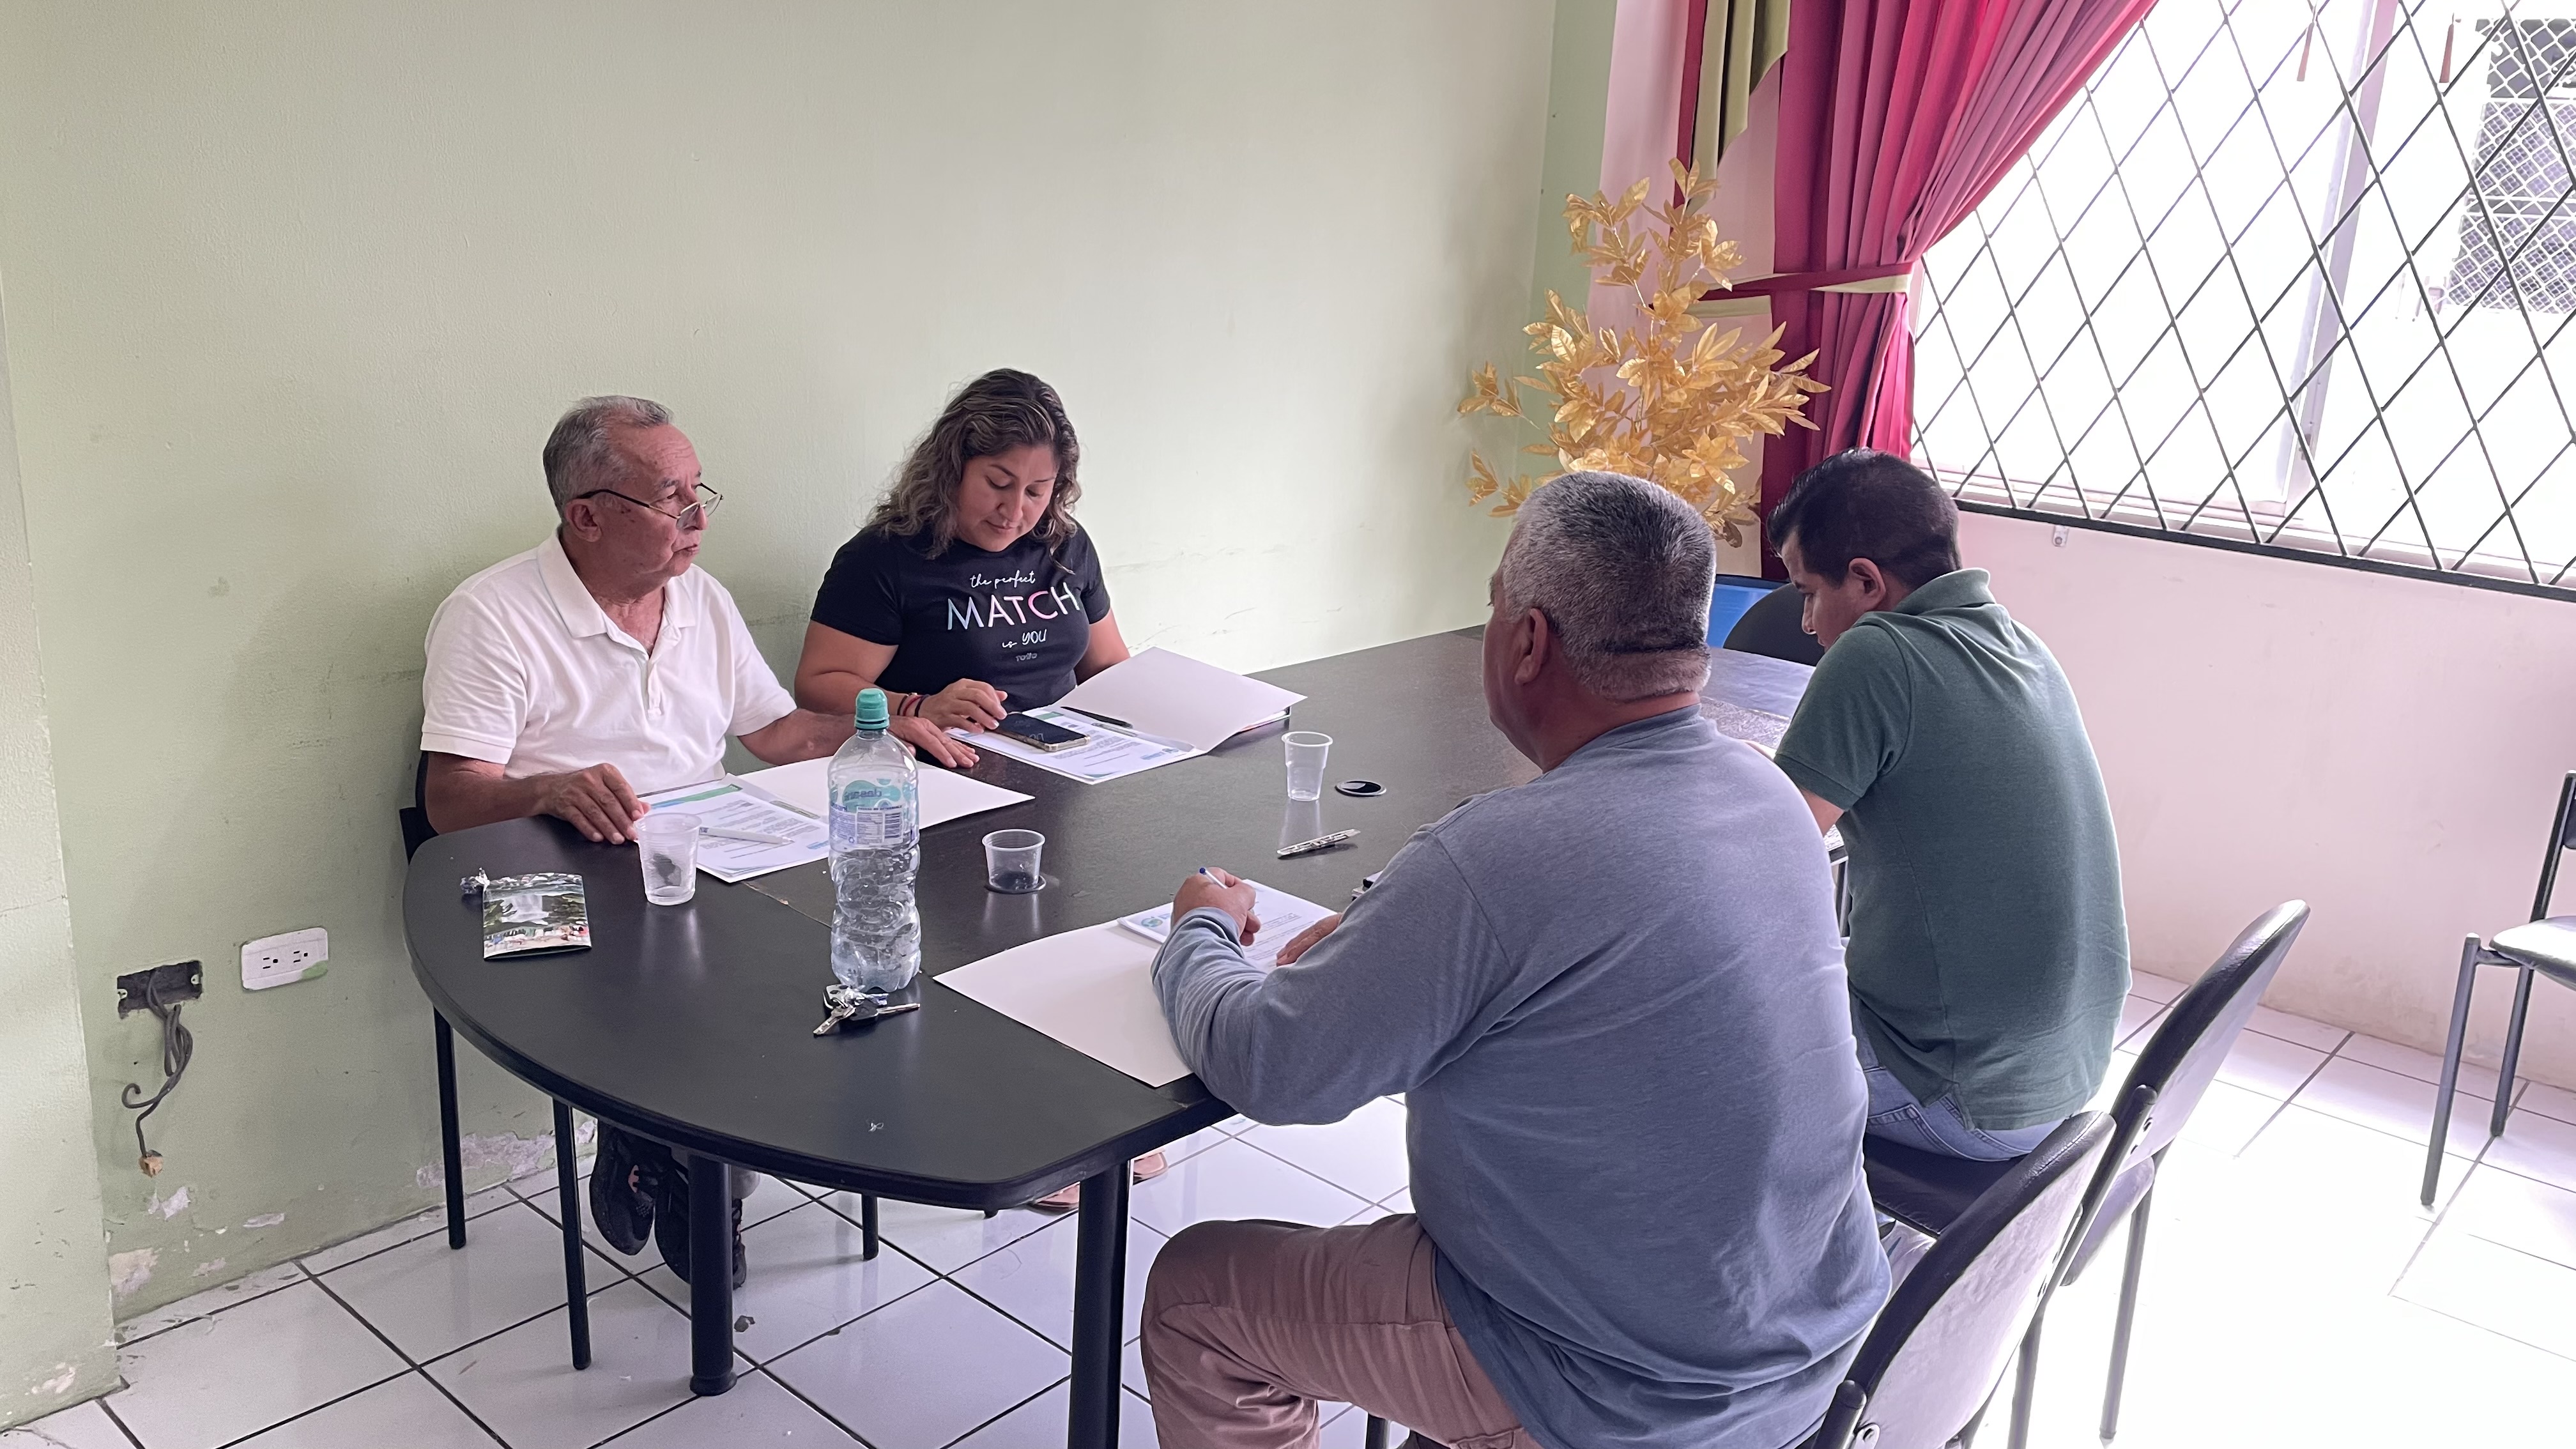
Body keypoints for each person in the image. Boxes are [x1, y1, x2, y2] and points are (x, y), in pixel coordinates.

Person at [1138, 473, 1886, 1449]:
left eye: (1494, 605)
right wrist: (1396, 943)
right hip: (1809, 1352)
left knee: (1195, 1298)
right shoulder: (1770, 796)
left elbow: (1272, 1067)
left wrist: (1198, 932)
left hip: (1619, 1393)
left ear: (1528, 640)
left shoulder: (1496, 855)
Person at [419, 394, 852, 1287]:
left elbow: (779, 735)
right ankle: (692, 1167)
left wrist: (893, 727)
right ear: (587, 517)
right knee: (688, 999)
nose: (697, 520)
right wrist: (549, 789)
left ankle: (656, 1140)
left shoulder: (701, 599)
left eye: (700, 492)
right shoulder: (491, 614)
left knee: (815, 958)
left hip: (702, 852)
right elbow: (449, 803)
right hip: (543, 869)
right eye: (670, 500)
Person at [1767, 448, 2129, 1162]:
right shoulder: (2024, 645)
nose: (1806, 622)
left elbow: (1767, 858)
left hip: (1960, 1094)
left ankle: (1811, 1227)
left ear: (1866, 581)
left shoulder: (1876, 653)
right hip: (2064, 1076)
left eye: (1808, 593)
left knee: (1691, 1020)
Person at [794, 368, 1130, 770]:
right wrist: (918, 707)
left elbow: (1107, 668)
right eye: (998, 484)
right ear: (952, 469)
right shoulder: (884, 557)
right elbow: (817, 686)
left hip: (1071, 762)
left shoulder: (1064, 543)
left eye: (1036, 491)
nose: (1014, 511)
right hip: (941, 770)